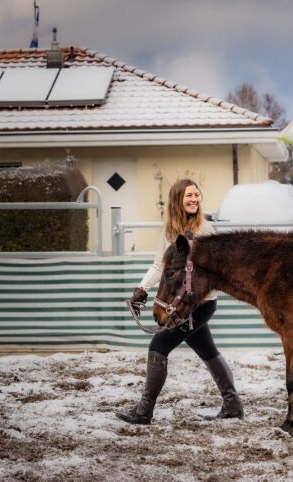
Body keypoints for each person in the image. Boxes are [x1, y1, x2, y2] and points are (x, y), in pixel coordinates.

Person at [116, 179, 244, 424]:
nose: (195, 199)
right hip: (185, 305)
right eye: (189, 195)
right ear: (178, 200)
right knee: (208, 350)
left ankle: (143, 411)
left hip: (198, 305)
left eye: (197, 194)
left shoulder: (205, 230)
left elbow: (218, 270)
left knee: (158, 347)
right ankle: (233, 405)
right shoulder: (169, 231)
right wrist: (141, 290)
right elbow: (159, 266)